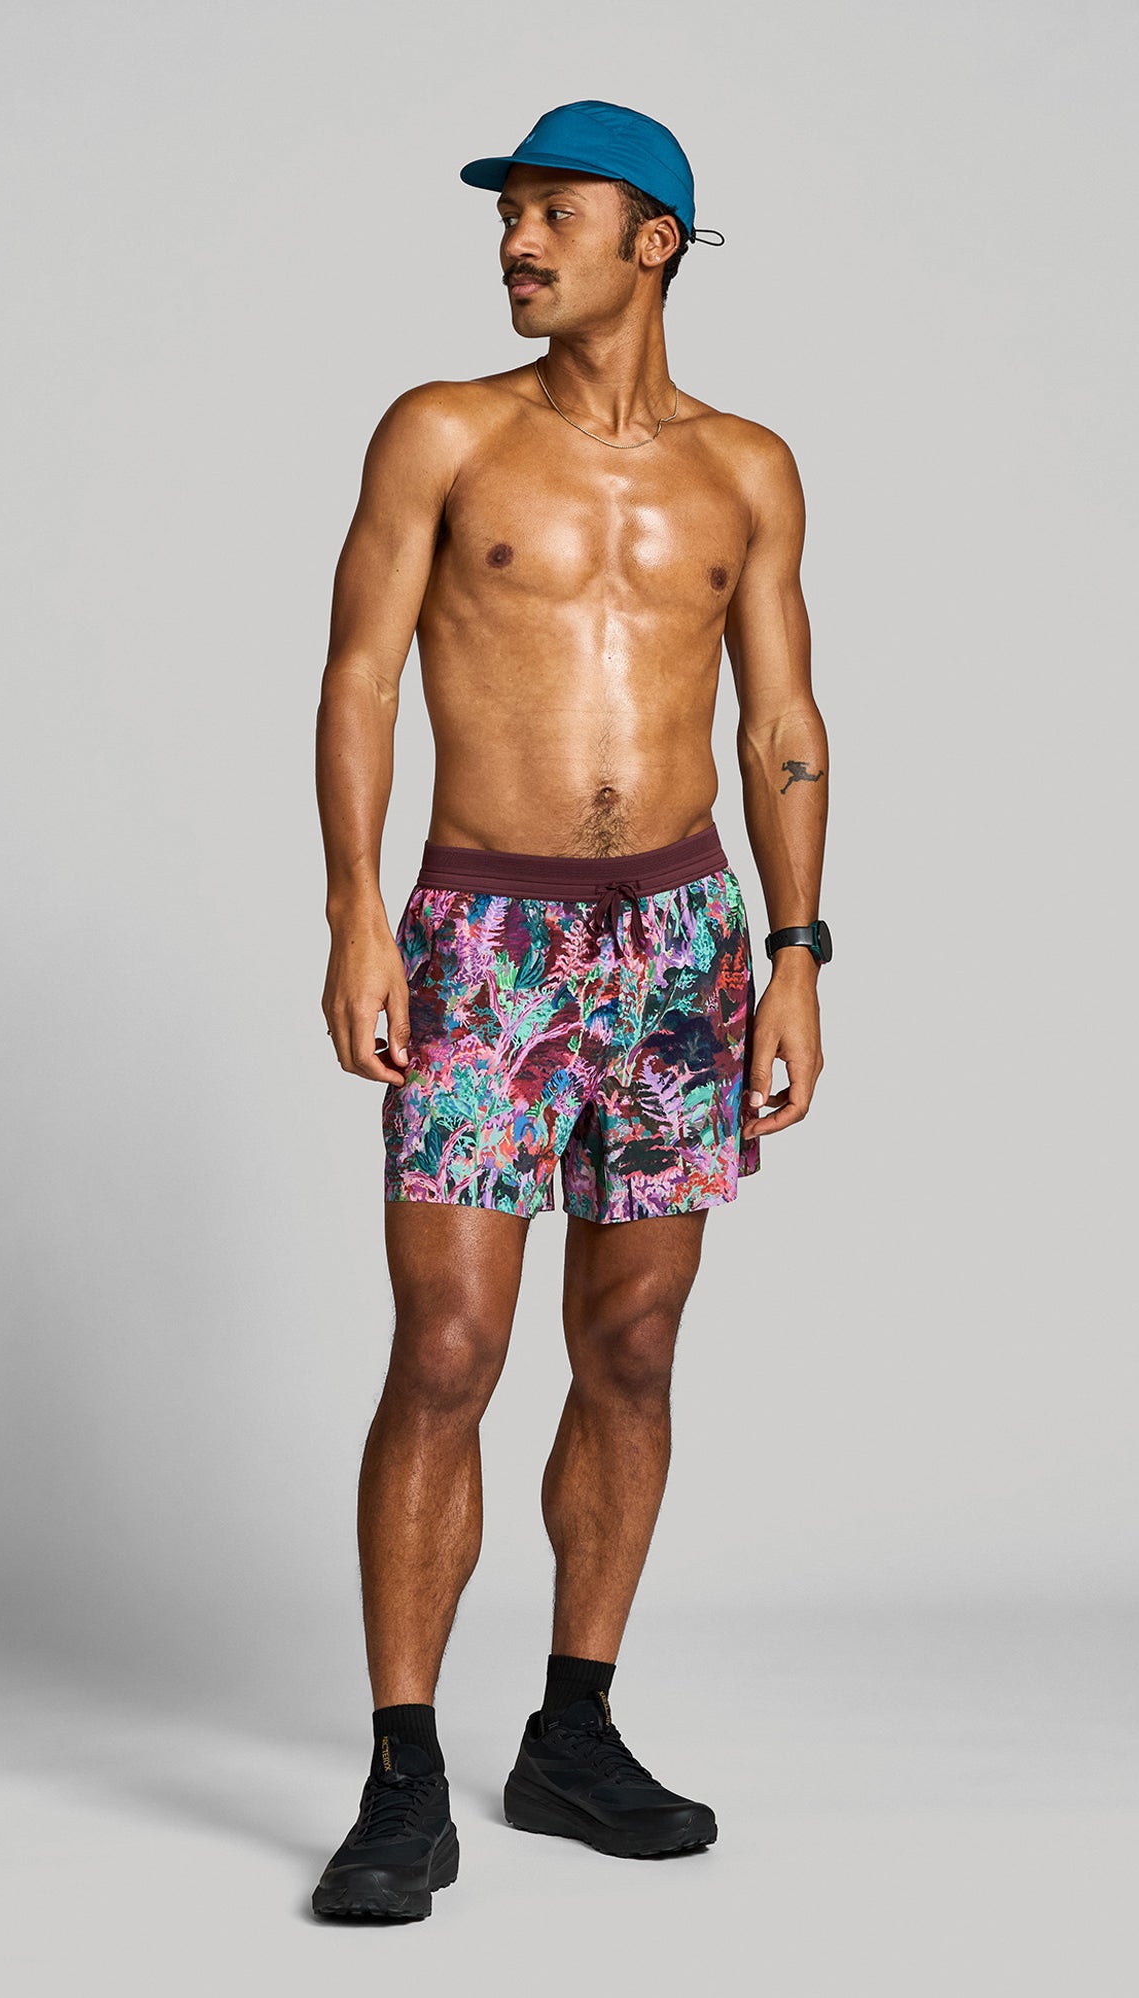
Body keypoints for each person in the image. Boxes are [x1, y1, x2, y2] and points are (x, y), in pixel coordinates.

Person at [311, 100, 830, 1921]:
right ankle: (401, 1775)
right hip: (485, 936)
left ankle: (572, 1732)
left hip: (680, 941)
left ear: (654, 239)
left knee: (634, 1345)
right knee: (448, 1347)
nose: (517, 242)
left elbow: (781, 722)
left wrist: (795, 950)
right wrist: (357, 909)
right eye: (509, 214)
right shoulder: (445, 431)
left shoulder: (747, 467)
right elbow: (360, 672)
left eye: (555, 212)